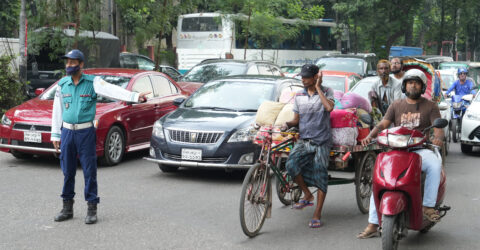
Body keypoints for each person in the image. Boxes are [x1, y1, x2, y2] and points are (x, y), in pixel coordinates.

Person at [51, 49, 150, 224]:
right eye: (67, 62)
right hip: (67, 132)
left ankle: (91, 208)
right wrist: (55, 135)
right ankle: (67, 208)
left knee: (89, 171)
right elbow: (57, 110)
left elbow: (113, 91)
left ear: (81, 64)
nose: (69, 66)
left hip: (85, 132)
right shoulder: (62, 84)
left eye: (73, 62)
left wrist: (134, 96)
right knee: (68, 172)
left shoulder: (93, 82)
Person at [357, 69, 444, 239]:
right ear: (404, 86)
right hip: (396, 150)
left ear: (422, 86)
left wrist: (438, 139)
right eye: (410, 82)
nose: (413, 85)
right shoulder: (396, 105)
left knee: (434, 164)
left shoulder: (430, 106)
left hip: (420, 150)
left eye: (417, 82)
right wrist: (369, 136)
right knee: (379, 179)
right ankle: (373, 223)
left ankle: (427, 206)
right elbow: (383, 124)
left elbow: (438, 128)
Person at [281, 64, 334, 228]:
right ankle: (307, 194)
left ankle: (317, 213)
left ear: (316, 77)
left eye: (306, 77)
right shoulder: (298, 96)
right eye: (302, 77)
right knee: (290, 165)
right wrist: (286, 124)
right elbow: (296, 120)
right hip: (304, 140)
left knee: (320, 172)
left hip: (322, 141)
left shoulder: (327, 92)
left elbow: (329, 107)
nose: (303, 80)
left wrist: (318, 88)